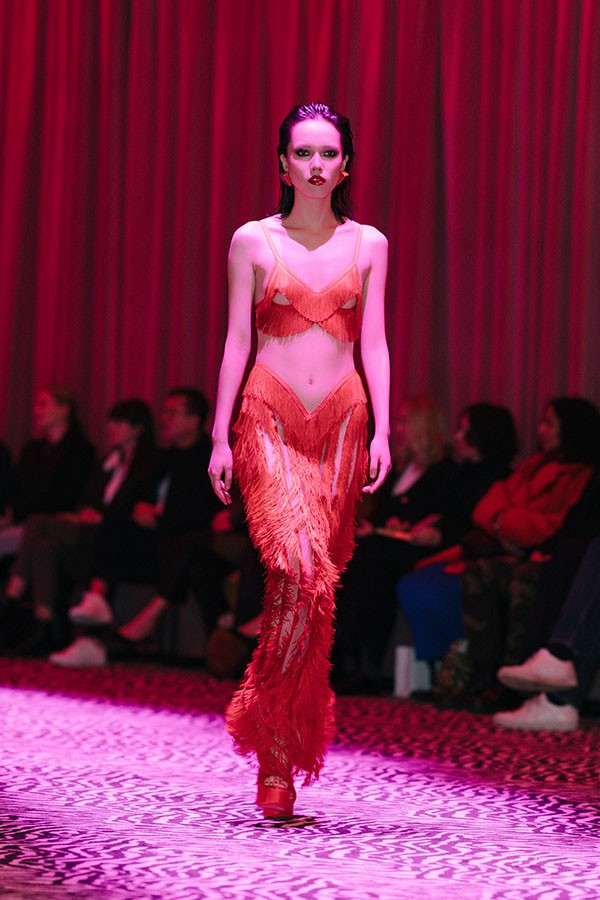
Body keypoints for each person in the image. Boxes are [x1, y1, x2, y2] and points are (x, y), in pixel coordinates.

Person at [208, 102, 390, 819]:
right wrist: (219, 434)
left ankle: (278, 752)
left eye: (329, 153)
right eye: (303, 153)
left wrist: (382, 431)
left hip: (343, 422)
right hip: (268, 418)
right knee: (297, 565)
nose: (316, 165)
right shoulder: (252, 241)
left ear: (345, 165)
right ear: (282, 164)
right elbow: (236, 340)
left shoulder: (369, 243)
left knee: (309, 593)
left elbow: (374, 342)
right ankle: (271, 726)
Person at [434, 397, 600, 709]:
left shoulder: (583, 475)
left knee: (524, 579)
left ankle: (513, 677)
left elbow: (556, 525)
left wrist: (507, 523)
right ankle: (485, 672)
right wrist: (508, 523)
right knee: (478, 572)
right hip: (517, 551)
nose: (541, 430)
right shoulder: (533, 466)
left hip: (548, 558)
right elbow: (487, 507)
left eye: (549, 423)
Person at [1, 398, 157, 659]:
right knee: (43, 546)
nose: (111, 428)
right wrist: (87, 511)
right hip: (90, 533)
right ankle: (44, 623)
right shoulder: (109, 461)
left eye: (119, 423)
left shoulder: (148, 465)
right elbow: (88, 497)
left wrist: (100, 514)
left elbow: (135, 506)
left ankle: (11, 601)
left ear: (137, 428)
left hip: (117, 537)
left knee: (37, 523)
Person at [331, 395, 459, 691]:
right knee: (353, 559)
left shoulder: (445, 471)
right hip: (386, 546)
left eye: (404, 421)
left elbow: (440, 516)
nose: (398, 428)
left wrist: (400, 526)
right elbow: (384, 514)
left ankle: (364, 660)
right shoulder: (402, 469)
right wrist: (374, 526)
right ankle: (342, 655)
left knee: (371, 565)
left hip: (416, 551)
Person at [396, 402, 517, 665]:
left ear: (481, 436)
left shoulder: (503, 480)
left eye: (463, 430)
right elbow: (443, 512)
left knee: (413, 580)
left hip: (467, 555)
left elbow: (482, 529)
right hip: (448, 550)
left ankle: (454, 663)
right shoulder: (460, 473)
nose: (456, 436)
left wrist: (442, 537)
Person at [0, 385, 95, 560]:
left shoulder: (80, 452)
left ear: (64, 409)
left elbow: (64, 497)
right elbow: (17, 487)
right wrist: (9, 510)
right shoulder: (32, 450)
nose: (36, 411)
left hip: (51, 524)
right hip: (23, 519)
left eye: (43, 405)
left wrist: (18, 511)